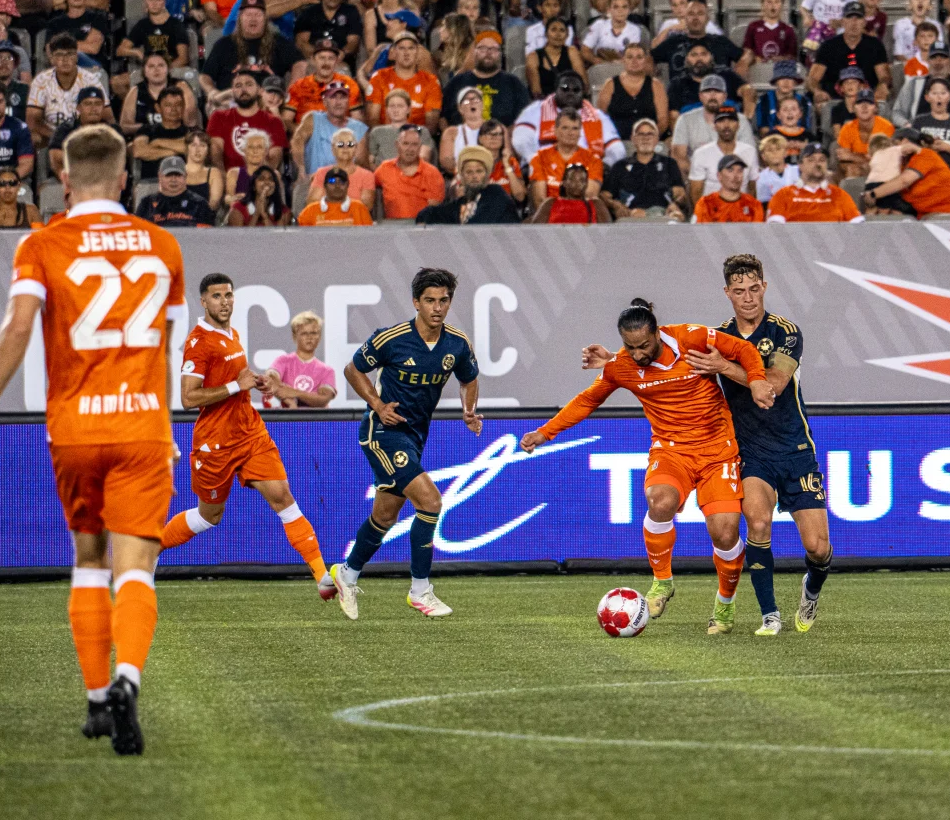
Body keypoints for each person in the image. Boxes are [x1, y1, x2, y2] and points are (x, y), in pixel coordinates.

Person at [0, 125, 187, 752]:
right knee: (135, 566)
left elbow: (18, 324)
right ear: (124, 179)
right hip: (141, 424)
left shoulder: (42, 243)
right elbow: (166, 345)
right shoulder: (163, 244)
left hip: (76, 427)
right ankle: (127, 679)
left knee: (89, 558)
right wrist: (165, 422)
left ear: (62, 178)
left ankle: (95, 702)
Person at [523, 299, 772, 631]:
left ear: (657, 333)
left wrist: (756, 379)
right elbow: (587, 400)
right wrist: (545, 432)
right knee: (659, 501)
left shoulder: (691, 337)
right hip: (671, 450)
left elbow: (742, 349)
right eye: (630, 347)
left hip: (718, 450)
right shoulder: (620, 366)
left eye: (644, 346)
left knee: (725, 533)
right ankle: (662, 581)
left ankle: (725, 605)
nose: (638, 354)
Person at [159, 273, 332, 596]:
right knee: (209, 517)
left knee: (283, 498)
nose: (224, 302)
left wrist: (255, 381)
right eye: (216, 296)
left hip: (250, 432)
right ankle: (152, 548)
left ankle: (323, 578)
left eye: (228, 295)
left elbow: (235, 378)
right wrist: (235, 385)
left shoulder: (232, 333)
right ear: (203, 301)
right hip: (215, 442)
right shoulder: (198, 343)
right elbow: (188, 398)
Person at [328, 270, 483, 621]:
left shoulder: (457, 344)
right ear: (416, 302)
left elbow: (469, 378)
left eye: (443, 300)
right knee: (430, 502)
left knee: (385, 516)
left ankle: (345, 575)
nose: (437, 307)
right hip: (382, 432)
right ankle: (420, 591)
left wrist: (469, 410)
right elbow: (353, 370)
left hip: (414, 438)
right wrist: (378, 404)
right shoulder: (392, 338)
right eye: (430, 300)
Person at [866, 127, 950, 217]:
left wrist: (873, 194)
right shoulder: (900, 167)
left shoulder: (925, 154)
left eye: (893, 144)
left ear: (905, 142)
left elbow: (904, 181)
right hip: (930, 216)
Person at [134, 155, 217, 226]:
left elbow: (207, 235)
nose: (173, 179)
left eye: (178, 175)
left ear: (185, 176)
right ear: (160, 176)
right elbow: (138, 232)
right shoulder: (147, 204)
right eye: (169, 175)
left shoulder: (200, 204)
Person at [294, 167, 376, 226]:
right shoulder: (310, 211)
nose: (337, 185)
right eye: (332, 181)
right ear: (325, 186)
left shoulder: (359, 208)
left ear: (347, 185)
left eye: (341, 182)